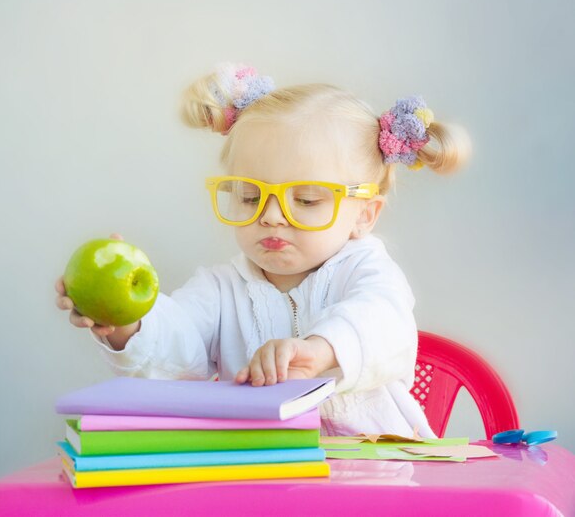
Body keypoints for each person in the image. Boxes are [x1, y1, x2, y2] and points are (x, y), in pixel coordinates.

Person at [55, 63, 469, 437]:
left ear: (365, 214)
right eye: (251, 197)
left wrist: (319, 350)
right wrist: (129, 321)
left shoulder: (366, 271)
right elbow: (176, 351)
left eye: (306, 200)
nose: (271, 216)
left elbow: (383, 320)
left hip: (378, 478)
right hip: (260, 477)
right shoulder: (221, 289)